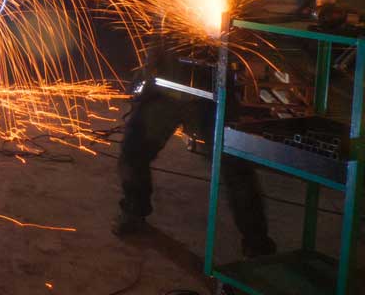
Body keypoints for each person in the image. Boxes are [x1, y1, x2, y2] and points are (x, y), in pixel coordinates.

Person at [113, 43, 276, 258]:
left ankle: (256, 241)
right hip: (166, 88)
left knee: (235, 168)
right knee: (133, 152)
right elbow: (158, 33)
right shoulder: (168, 12)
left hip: (210, 91)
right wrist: (147, 71)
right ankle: (134, 210)